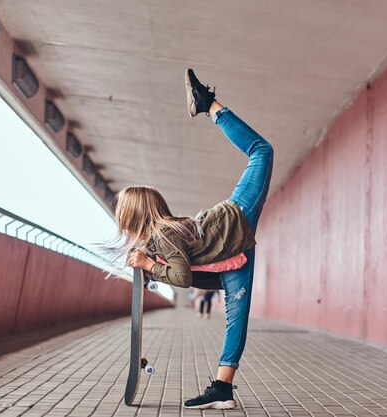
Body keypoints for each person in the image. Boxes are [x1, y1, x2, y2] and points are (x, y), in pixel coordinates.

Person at [111, 69, 274, 410]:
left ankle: (222, 388)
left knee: (236, 317)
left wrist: (149, 266)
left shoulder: (161, 235)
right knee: (260, 151)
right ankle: (208, 104)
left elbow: (182, 274)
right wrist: (149, 267)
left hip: (233, 239)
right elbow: (184, 277)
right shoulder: (162, 236)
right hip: (235, 231)